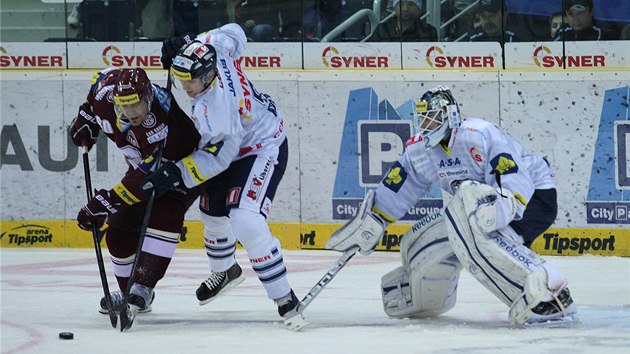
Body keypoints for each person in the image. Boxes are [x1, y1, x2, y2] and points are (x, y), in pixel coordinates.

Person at [325, 86, 577, 327]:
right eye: (422, 119)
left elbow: (512, 171)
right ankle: (423, 297)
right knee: (439, 234)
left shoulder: (479, 133)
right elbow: (400, 186)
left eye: (432, 119)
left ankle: (549, 296)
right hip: (484, 204)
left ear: (451, 116)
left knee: (476, 230)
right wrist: (374, 220)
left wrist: (505, 208)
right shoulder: (420, 150)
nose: (426, 126)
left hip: (531, 197)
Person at [156, 24, 300, 320]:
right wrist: (191, 41)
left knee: (245, 219)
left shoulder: (216, 110)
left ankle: (284, 296)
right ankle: (225, 271)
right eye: (179, 77)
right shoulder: (214, 48)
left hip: (262, 146)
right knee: (211, 212)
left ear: (207, 76)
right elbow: (235, 31)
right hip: (234, 142)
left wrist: (176, 172)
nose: (184, 87)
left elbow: (219, 159)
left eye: (189, 81)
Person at [70, 67, 202, 323]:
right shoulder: (106, 94)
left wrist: (106, 202)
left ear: (149, 97)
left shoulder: (162, 121)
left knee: (166, 211)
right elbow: (98, 82)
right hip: (142, 169)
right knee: (119, 228)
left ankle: (142, 287)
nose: (131, 113)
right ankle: (125, 289)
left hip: (184, 166)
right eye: (124, 106)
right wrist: (85, 117)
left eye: (137, 105)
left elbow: (148, 175)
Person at [369, 0, 437, 42]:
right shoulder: (382, 29)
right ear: (394, 7)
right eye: (401, 4)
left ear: (419, 8)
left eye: (411, 4)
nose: (405, 9)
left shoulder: (428, 31)